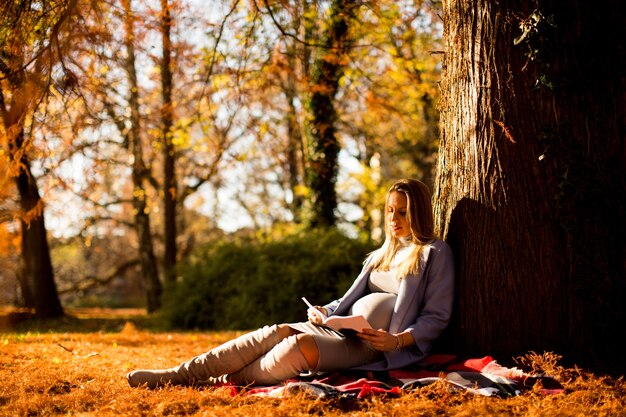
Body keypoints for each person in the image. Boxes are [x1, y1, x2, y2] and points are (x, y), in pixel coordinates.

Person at [127, 178, 455, 389]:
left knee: (296, 348)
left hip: (376, 348)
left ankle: (209, 380)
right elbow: (349, 299)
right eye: (390, 211)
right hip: (340, 329)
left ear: (419, 212)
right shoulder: (380, 254)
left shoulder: (434, 253)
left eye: (403, 212)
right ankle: (178, 374)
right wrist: (323, 312)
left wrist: (395, 341)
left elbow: (436, 317)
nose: (394, 219)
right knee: (277, 330)